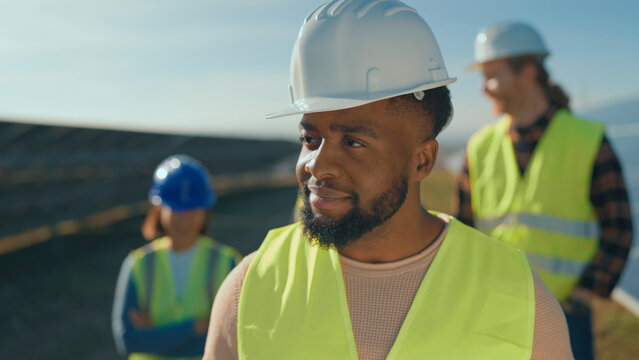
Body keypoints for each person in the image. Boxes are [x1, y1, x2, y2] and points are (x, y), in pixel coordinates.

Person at [204, 1, 573, 359]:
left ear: (422, 160)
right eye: (310, 139)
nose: (318, 165)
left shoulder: (523, 301)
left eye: (353, 142)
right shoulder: (248, 289)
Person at [457, 22, 634, 359]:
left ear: (528, 71)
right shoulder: (478, 147)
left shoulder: (587, 140)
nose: (483, 89)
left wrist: (583, 293)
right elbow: (462, 233)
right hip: (493, 316)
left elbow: (619, 227)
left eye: (491, 76)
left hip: (566, 315)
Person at [112, 154, 242, 359]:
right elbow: (129, 341)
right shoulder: (138, 263)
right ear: (159, 209)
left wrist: (156, 337)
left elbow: (236, 335)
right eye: (175, 209)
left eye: (191, 209)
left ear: (205, 211)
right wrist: (196, 328)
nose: (183, 218)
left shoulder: (228, 261)